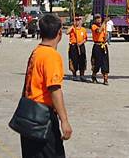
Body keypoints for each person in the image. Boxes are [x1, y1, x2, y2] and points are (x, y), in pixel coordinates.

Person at [19, 13, 72, 157]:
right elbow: (54, 89)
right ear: (59, 33)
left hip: (28, 115)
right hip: (43, 118)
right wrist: (64, 121)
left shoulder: (36, 52)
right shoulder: (51, 56)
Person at [67, 16, 88, 82]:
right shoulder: (72, 28)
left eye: (79, 20)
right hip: (73, 46)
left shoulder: (83, 29)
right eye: (76, 20)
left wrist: (81, 42)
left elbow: (85, 39)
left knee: (82, 59)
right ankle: (74, 75)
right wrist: (73, 26)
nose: (77, 22)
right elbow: (67, 32)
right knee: (74, 60)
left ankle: (82, 75)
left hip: (81, 45)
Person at [90, 14, 109, 85]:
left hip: (103, 45)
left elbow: (105, 35)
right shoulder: (93, 26)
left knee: (105, 62)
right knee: (97, 62)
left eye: (99, 18)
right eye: (96, 18)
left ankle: (105, 78)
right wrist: (104, 22)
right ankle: (94, 75)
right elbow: (98, 31)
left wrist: (106, 38)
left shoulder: (104, 26)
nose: (98, 19)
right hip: (97, 46)